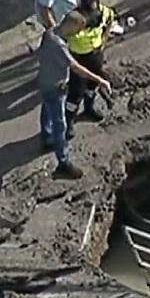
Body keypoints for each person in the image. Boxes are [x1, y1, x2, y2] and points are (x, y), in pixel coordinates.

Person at [37, 11, 112, 179]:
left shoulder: (49, 33)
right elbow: (75, 67)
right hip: (56, 86)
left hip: (44, 81)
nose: (79, 33)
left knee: (46, 109)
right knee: (60, 124)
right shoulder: (59, 45)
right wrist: (100, 80)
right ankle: (64, 163)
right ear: (72, 27)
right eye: (79, 29)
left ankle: (46, 136)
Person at [65, 0, 117, 137]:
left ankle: (89, 109)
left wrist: (104, 40)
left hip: (95, 55)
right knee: (75, 94)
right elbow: (60, 35)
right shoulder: (74, 20)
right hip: (78, 58)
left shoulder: (104, 12)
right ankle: (68, 122)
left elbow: (110, 21)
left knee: (91, 86)